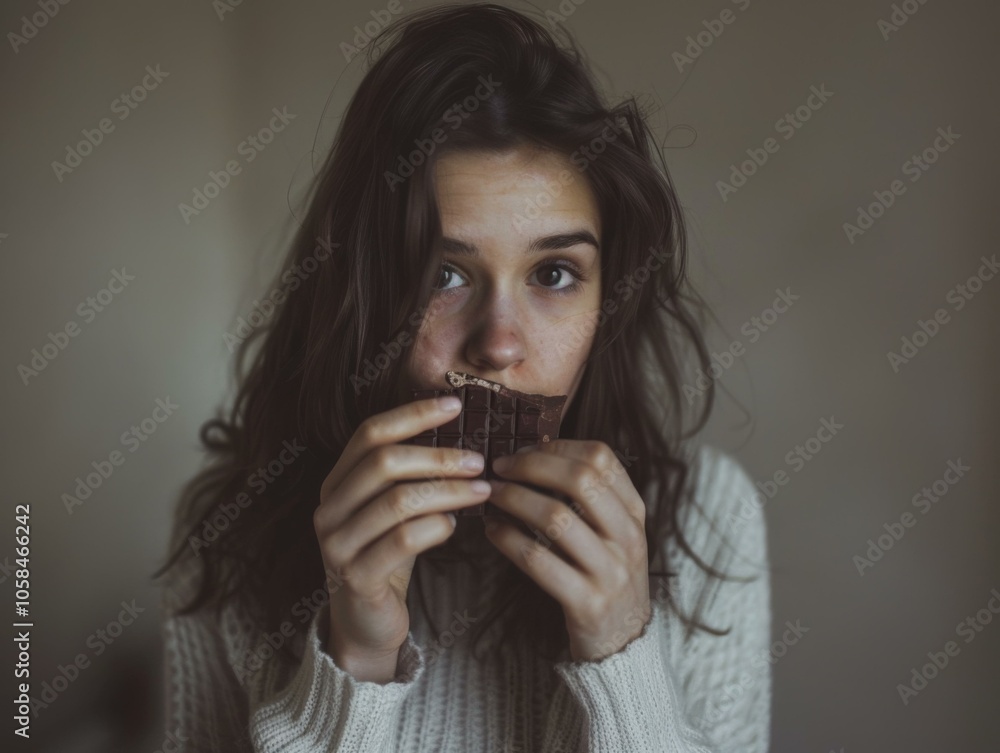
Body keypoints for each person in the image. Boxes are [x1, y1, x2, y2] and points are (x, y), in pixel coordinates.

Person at [153, 3, 772, 751]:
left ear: (609, 299)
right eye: (443, 273)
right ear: (364, 290)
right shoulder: (231, 539)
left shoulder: (706, 517)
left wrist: (621, 652)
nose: (500, 344)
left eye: (553, 272)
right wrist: (357, 663)